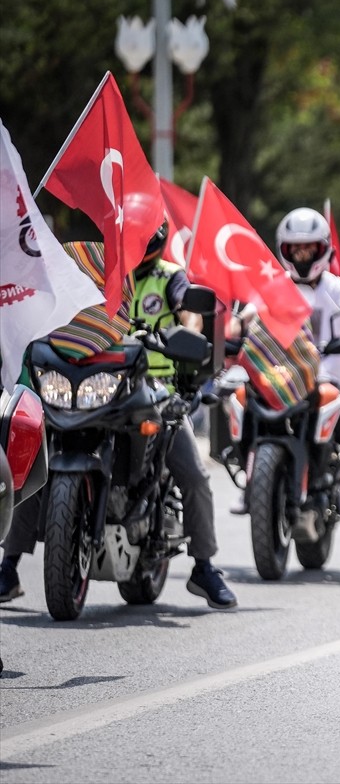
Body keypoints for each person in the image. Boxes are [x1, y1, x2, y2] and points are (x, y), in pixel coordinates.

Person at [0, 212, 237, 609]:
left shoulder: (169, 277)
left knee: (194, 474)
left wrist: (189, 332)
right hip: (92, 379)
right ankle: (9, 566)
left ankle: (204, 567)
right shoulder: (95, 268)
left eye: (142, 236)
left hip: (155, 384)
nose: (135, 243)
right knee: (39, 458)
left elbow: (189, 310)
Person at [275, 207, 340, 515]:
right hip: (280, 372)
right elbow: (253, 312)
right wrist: (235, 327)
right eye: (296, 248)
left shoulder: (335, 287)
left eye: (308, 247)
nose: (302, 254)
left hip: (324, 374)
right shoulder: (276, 284)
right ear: (285, 249)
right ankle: (252, 480)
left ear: (322, 249)